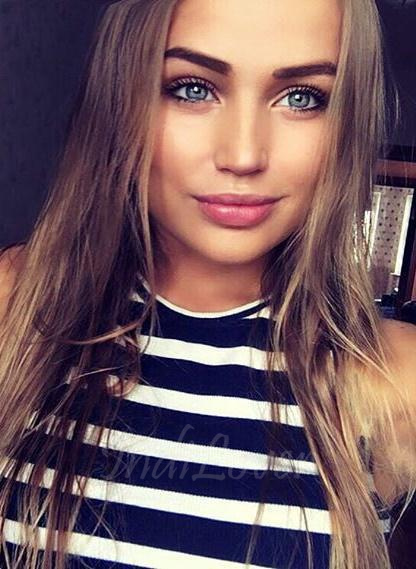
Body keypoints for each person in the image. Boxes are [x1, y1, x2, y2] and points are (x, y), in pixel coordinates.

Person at [0, 1, 415, 568]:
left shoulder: (396, 379)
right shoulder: (14, 310)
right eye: (192, 88)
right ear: (120, 101)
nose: (243, 155)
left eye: (302, 98)